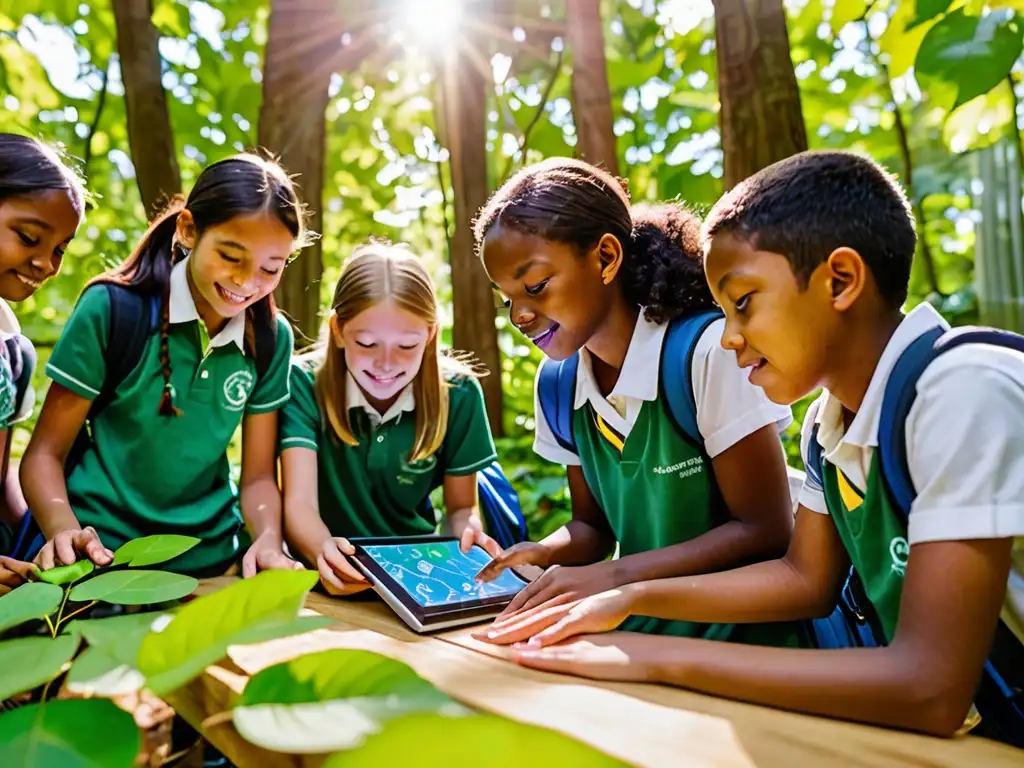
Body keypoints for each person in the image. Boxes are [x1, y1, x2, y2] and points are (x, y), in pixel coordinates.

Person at [477, 150, 1024, 741]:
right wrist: (628, 595)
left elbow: (930, 687)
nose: (730, 336)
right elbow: (804, 581)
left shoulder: (963, 390)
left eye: (742, 303)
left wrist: (654, 656)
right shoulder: (826, 426)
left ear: (839, 281)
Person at [474, 157, 803, 647]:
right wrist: (539, 553)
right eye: (507, 299)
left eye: (536, 286)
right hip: (641, 635)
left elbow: (765, 530)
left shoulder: (706, 354)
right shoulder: (559, 385)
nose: (520, 314)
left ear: (606, 258)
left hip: (750, 643)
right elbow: (592, 528)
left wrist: (615, 577)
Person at [20, 152, 308, 578]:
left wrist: (267, 539)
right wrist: (64, 532)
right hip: (101, 556)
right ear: (189, 230)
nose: (247, 283)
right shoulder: (113, 309)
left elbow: (259, 478)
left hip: (210, 561)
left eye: (271, 268)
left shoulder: (270, 337)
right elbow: (44, 454)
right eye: (231, 256)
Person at [273, 243, 501, 595]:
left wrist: (469, 533)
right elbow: (299, 502)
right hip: (323, 577)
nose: (386, 364)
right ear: (337, 330)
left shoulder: (459, 394)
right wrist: (323, 552)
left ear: (429, 334)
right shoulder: (301, 384)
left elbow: (460, 507)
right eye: (366, 343)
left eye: (407, 347)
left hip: (418, 577)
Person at [0, 133, 84, 579]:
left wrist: (49, 539)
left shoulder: (12, 353)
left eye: (59, 250)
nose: (46, 264)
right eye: (28, 236)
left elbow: (1, 489)